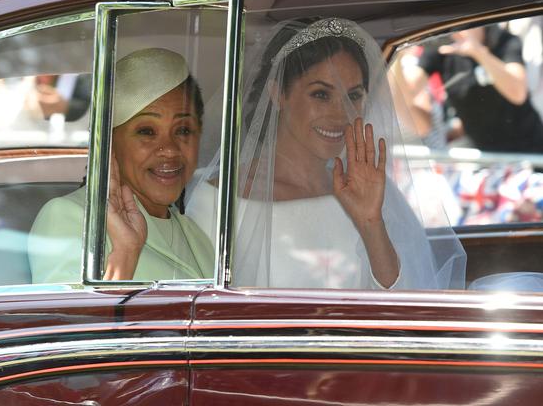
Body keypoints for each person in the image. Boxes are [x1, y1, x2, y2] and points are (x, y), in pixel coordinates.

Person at [187, 18, 466, 290]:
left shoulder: (368, 190)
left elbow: (404, 300)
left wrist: (371, 224)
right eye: (321, 94)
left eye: (353, 96)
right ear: (277, 94)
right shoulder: (217, 200)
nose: (341, 113)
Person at [28, 48, 214, 283]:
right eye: (147, 131)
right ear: (109, 144)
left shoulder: (195, 235)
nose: (170, 149)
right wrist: (125, 253)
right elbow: (74, 319)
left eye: (183, 130)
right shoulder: (69, 217)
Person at [404, 25, 543, 153]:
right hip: (486, 157)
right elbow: (408, 91)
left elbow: (518, 93)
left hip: (530, 151)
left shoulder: (503, 40)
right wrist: (395, 58)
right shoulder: (441, 47)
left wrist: (478, 52)